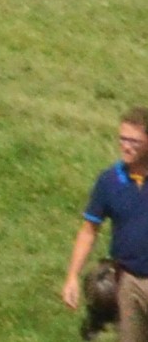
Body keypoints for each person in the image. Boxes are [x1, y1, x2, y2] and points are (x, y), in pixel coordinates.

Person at [68, 110, 148, 337]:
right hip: (128, 282)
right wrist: (73, 276)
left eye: (134, 141)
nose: (126, 146)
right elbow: (88, 231)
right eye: (122, 139)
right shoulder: (109, 181)